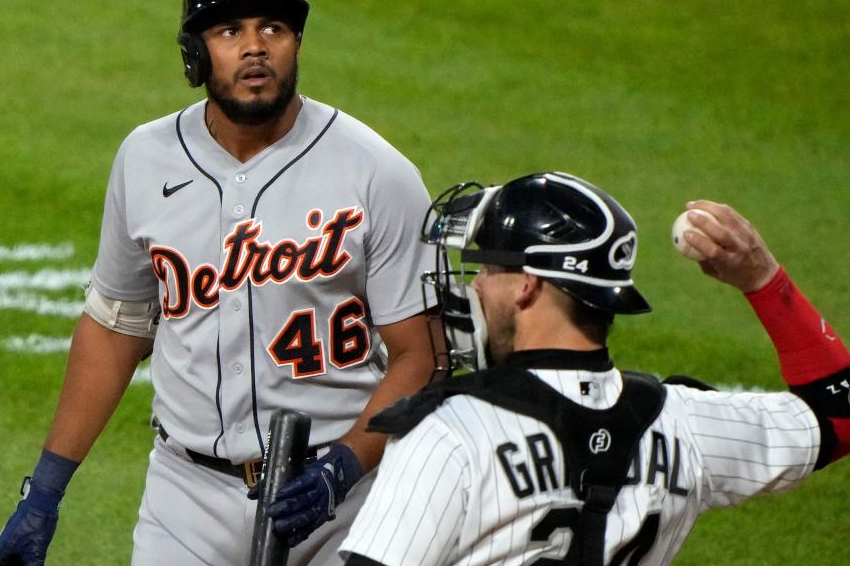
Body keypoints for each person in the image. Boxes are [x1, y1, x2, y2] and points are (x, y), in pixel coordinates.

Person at [0, 0, 438, 566]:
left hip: (345, 502)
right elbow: (115, 330)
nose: (255, 47)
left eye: (273, 27)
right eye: (230, 30)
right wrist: (45, 492)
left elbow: (421, 354)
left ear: (297, 43)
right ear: (196, 53)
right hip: (185, 500)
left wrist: (345, 466)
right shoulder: (145, 161)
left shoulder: (375, 173)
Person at [340, 171, 850, 566]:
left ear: (526, 284)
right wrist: (763, 280)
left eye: (488, 269)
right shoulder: (683, 421)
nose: (475, 287)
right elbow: (840, 414)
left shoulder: (447, 433)